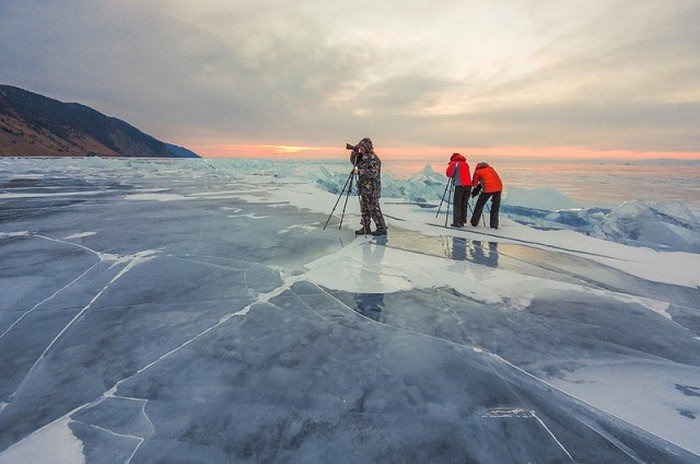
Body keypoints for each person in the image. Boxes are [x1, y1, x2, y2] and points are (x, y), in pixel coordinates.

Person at [350, 137, 387, 236]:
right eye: (360, 148)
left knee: (374, 208)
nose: (361, 150)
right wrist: (354, 152)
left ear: (367, 147)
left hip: (372, 188)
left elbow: (373, 173)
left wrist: (359, 172)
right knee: (364, 208)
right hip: (364, 187)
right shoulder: (362, 156)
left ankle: (381, 228)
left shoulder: (373, 158)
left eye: (362, 148)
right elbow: (354, 162)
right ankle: (366, 228)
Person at [470, 162, 503, 229]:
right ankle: (494, 225)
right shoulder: (491, 169)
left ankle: (474, 222)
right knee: (495, 207)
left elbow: (474, 184)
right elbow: (490, 180)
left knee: (479, 205)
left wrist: (473, 191)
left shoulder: (478, 172)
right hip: (498, 188)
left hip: (488, 189)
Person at [445, 152, 471, 227]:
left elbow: (448, 174)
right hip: (468, 186)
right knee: (464, 203)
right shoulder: (465, 163)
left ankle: (457, 222)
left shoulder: (454, 163)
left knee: (457, 204)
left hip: (460, 186)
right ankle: (462, 221)